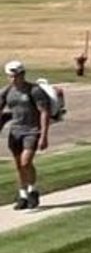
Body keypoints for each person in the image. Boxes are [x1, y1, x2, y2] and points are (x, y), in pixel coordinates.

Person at [3, 60, 55, 209]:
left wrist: (44, 135)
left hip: (32, 131)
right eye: (10, 76)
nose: (13, 79)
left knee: (26, 162)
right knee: (19, 165)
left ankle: (33, 190)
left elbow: (44, 112)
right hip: (15, 133)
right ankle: (22, 195)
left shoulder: (34, 91)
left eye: (16, 76)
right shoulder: (7, 92)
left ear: (23, 74)